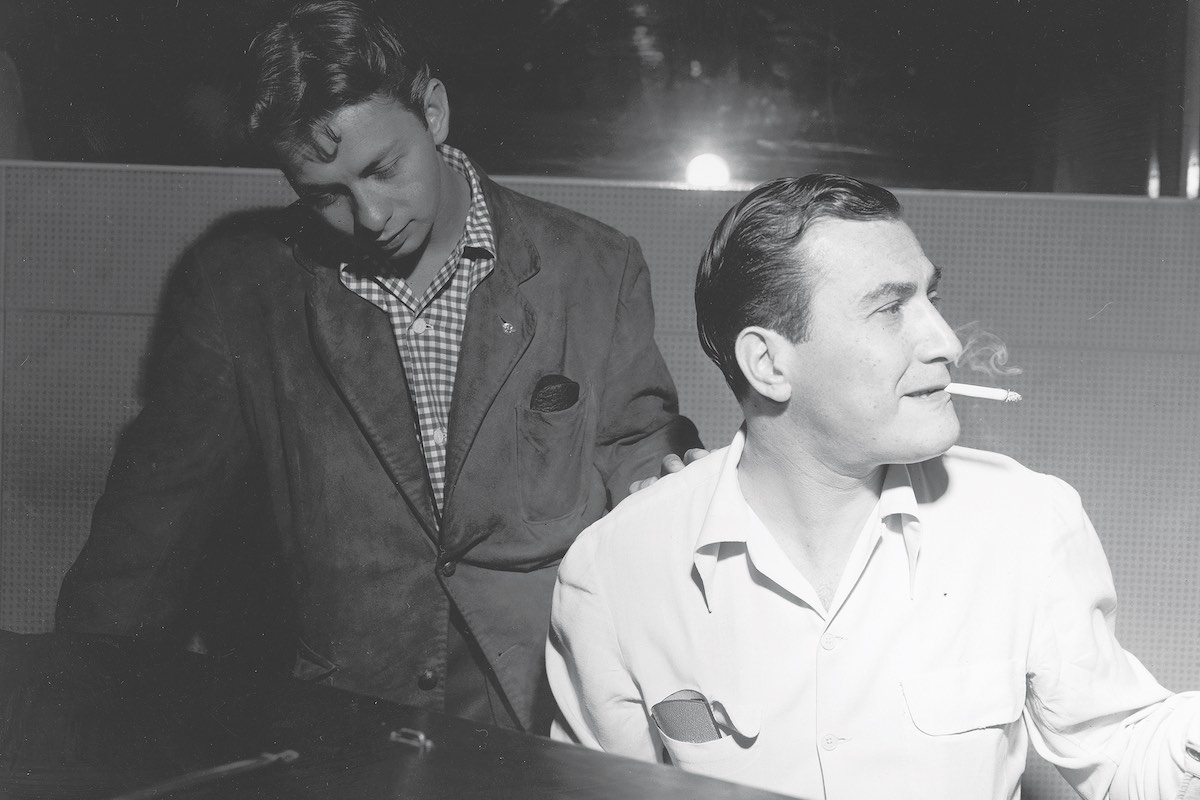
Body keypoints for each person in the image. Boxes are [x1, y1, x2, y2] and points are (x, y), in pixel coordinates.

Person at [55, 0, 701, 735]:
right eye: (323, 194)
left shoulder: (595, 264)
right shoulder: (239, 289)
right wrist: (73, 702)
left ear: (434, 111)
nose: (367, 216)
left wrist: (668, 490)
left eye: (383, 169)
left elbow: (638, 454)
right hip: (344, 716)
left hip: (546, 708)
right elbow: (150, 526)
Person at [546, 174, 1200, 799]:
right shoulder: (614, 571)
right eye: (890, 308)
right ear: (769, 363)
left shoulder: (1024, 520)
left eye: (931, 298)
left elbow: (1123, 749)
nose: (945, 342)